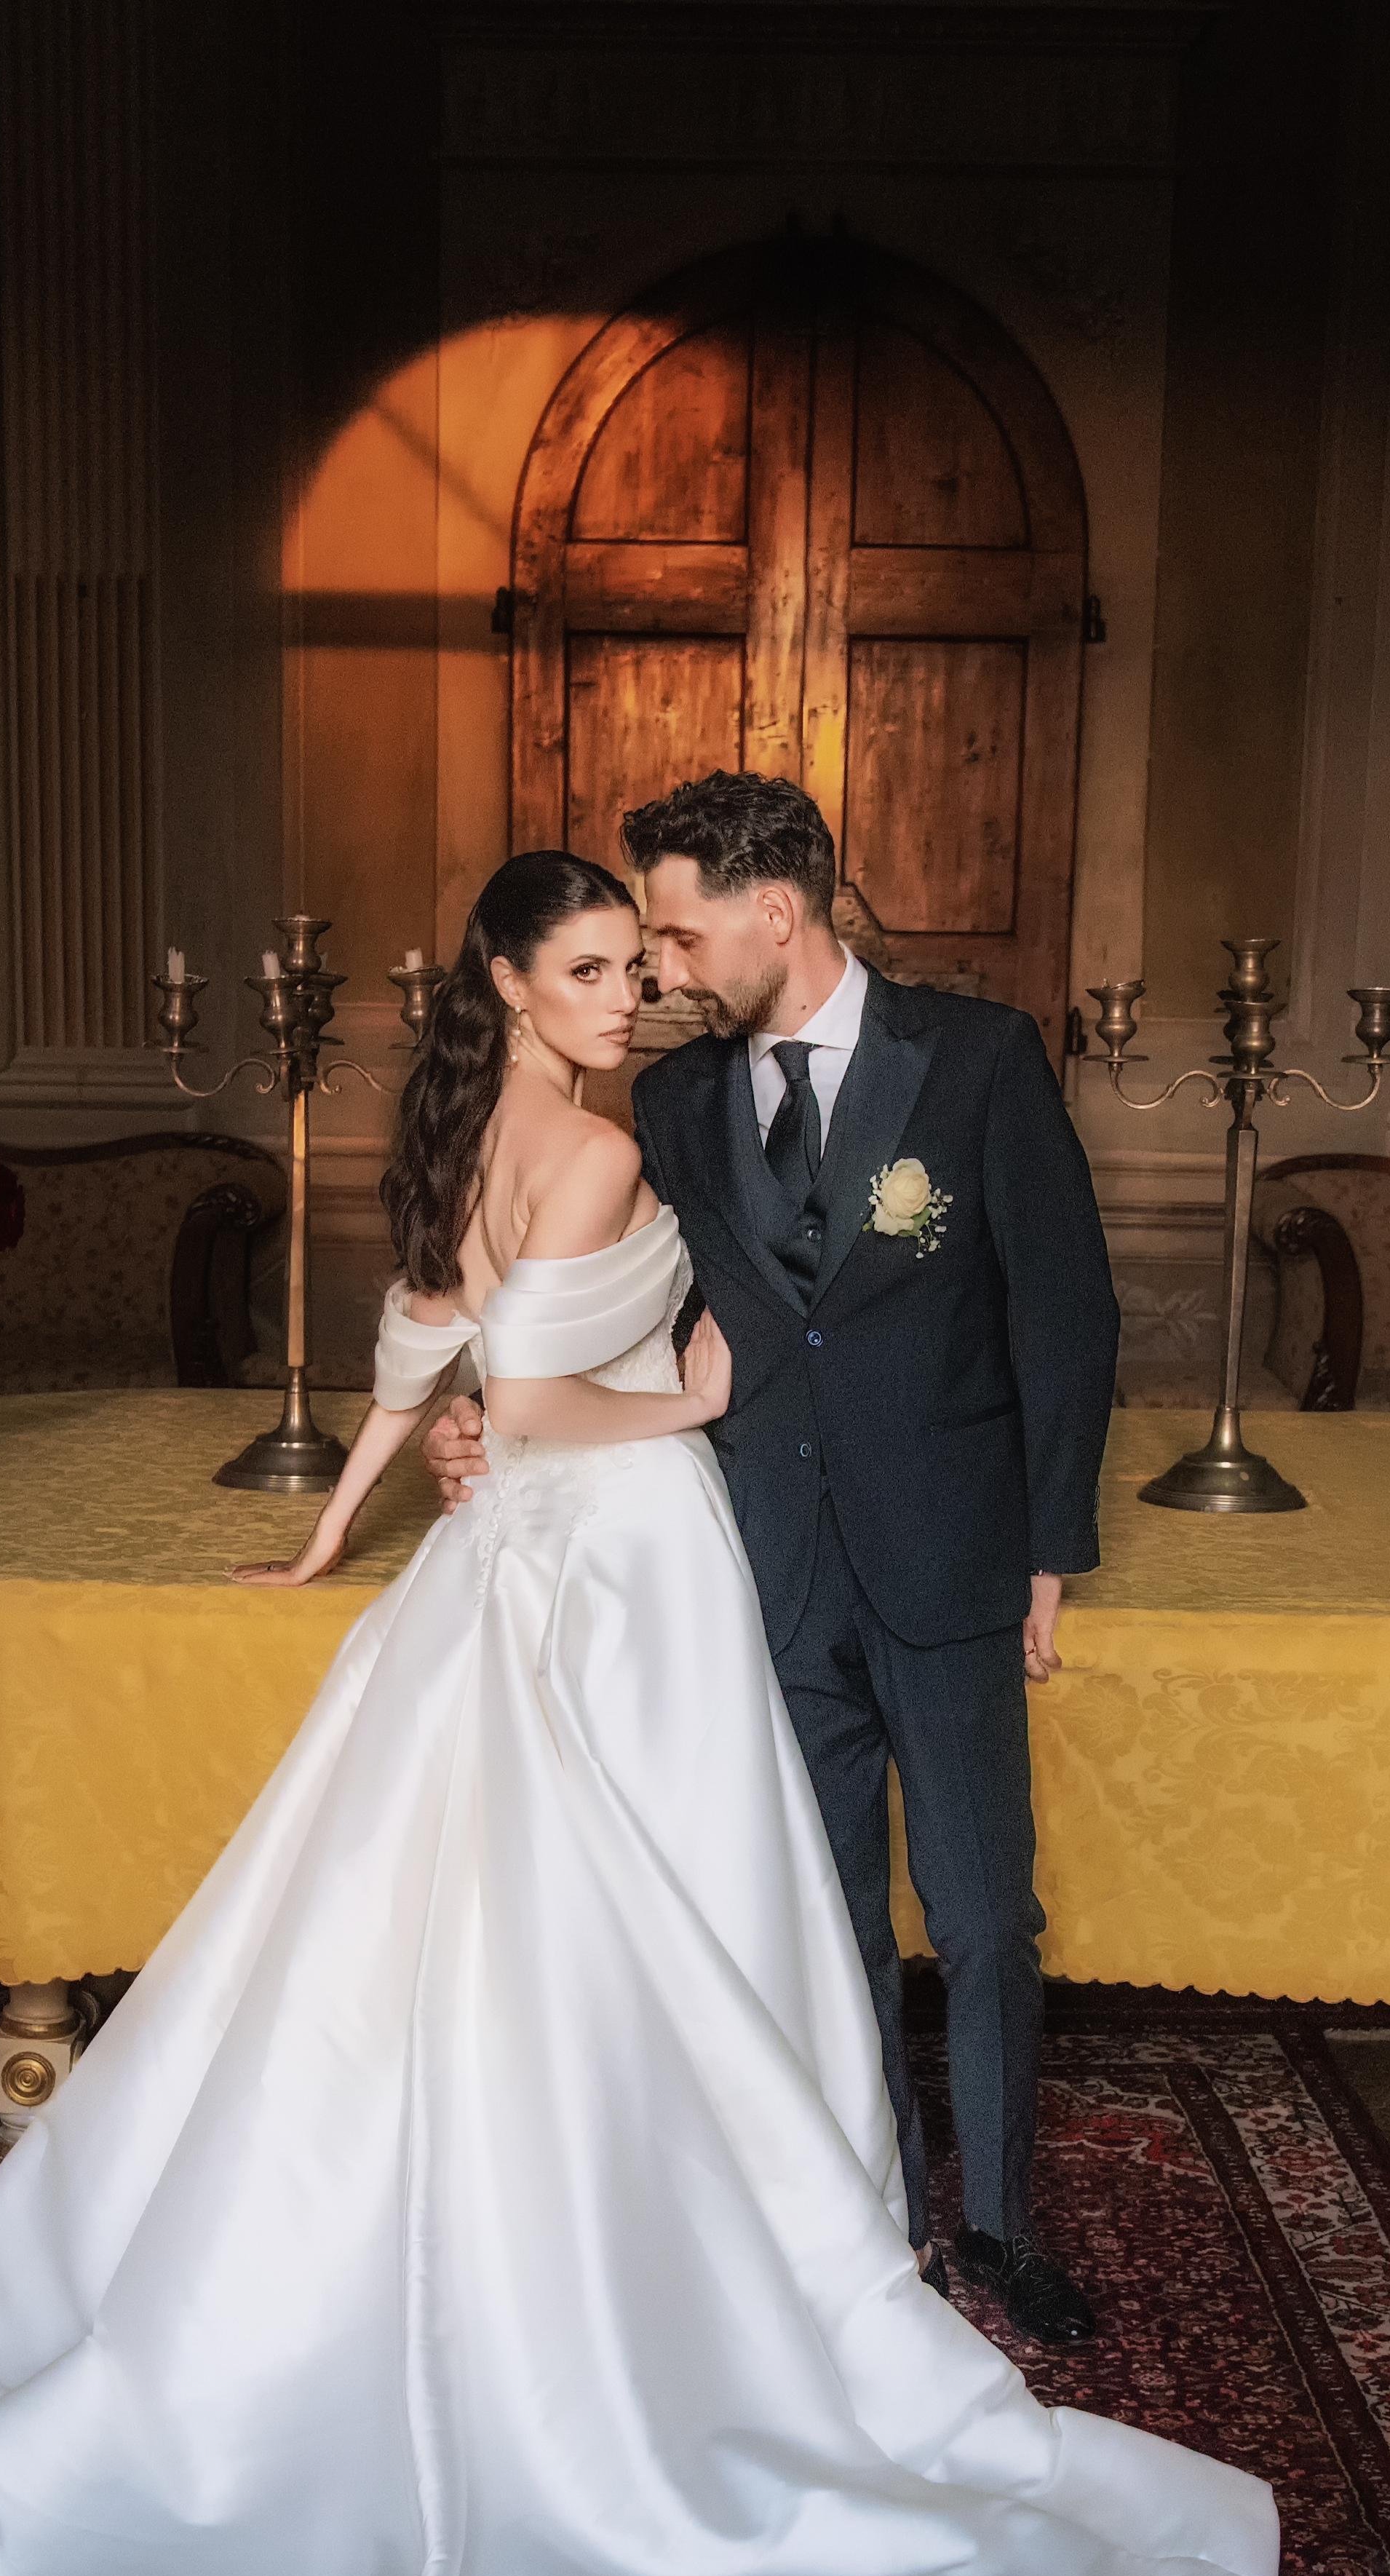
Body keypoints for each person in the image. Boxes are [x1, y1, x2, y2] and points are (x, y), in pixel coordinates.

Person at [0, 849, 1275, 2576]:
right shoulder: (595, 1142)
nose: (628, 994)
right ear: (506, 979)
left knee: (504, 1921)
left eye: (637, 959)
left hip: (511, 1573)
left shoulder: (494, 1134)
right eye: (589, 967)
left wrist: (336, 1532)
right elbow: (537, 1386)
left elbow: (427, 1360)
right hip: (625, 1559)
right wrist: (689, 1399)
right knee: (647, 1908)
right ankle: (686, 2272)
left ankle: (661, 2218)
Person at [426, 774, 1115, 2347]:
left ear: (776, 912)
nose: (658, 972)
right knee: (828, 1916)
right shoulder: (673, 1105)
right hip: (762, 1563)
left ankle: (1003, 2229)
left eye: (676, 936)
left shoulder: (977, 1058)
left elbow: (1066, 1314)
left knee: (984, 1919)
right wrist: (474, 1422)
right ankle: (880, 2211)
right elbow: (581, 1305)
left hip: (949, 1556)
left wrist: (1051, 1546)